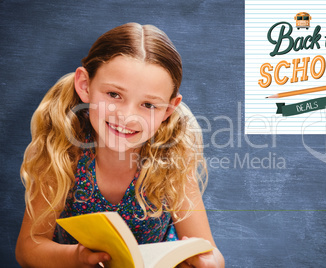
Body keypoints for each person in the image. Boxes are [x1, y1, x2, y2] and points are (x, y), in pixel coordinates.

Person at [16, 22, 224, 268]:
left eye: (148, 105)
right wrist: (76, 258)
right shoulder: (63, 152)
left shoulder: (172, 162)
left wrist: (208, 263)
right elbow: (28, 248)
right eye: (114, 95)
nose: (127, 117)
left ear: (168, 109)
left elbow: (210, 251)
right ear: (85, 86)